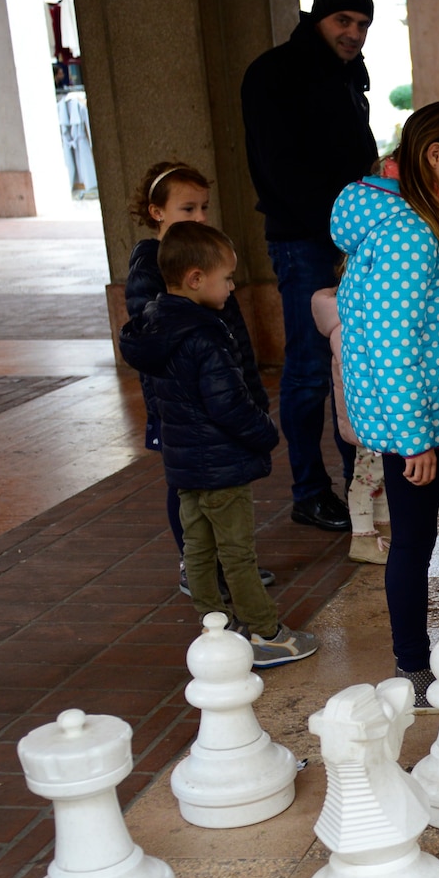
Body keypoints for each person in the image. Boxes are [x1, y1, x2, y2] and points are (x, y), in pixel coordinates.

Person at [331, 100, 439, 710]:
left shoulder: (389, 217)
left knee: (414, 541)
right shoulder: (409, 234)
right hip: (409, 421)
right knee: (413, 545)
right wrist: (415, 437)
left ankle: (412, 658)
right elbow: (393, 345)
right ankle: (413, 668)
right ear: (434, 156)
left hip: (406, 413)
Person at [118, 224, 318, 668]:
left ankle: (215, 629)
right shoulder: (204, 336)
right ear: (194, 279)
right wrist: (265, 433)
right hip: (222, 467)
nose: (231, 286)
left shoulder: (156, 328)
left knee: (199, 551)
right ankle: (266, 634)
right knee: (238, 554)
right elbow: (228, 405)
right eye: (226, 278)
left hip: (184, 465)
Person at [241, 0, 380, 536]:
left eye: (363, 24)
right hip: (304, 241)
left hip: (350, 241)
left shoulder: (347, 75)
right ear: (317, 17)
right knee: (307, 371)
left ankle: (358, 483)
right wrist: (338, 225)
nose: (353, 33)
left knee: (352, 364)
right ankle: (308, 491)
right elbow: (280, 169)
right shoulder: (275, 73)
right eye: (343, 21)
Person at [124, 159, 277, 597]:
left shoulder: (206, 256)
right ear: (157, 212)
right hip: (181, 402)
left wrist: (244, 381)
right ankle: (198, 569)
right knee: (187, 485)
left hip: (217, 387)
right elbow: (155, 336)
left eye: (204, 208)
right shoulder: (151, 266)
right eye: (187, 209)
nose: (200, 217)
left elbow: (229, 330)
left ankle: (226, 567)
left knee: (215, 484)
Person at [309, 283, 389, 566]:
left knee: (377, 474)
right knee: (366, 477)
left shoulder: (353, 321)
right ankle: (363, 538)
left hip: (372, 416)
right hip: (369, 418)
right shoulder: (346, 328)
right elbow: (361, 375)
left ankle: (382, 526)